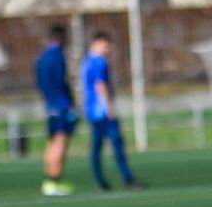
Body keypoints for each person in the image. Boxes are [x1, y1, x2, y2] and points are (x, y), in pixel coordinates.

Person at [81, 32, 143, 191]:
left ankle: (99, 180)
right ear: (96, 43)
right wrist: (109, 108)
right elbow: (100, 85)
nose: (107, 50)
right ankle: (127, 178)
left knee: (96, 147)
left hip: (91, 110)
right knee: (117, 144)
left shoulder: (85, 62)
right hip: (102, 111)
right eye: (105, 46)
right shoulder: (99, 62)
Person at [34, 23, 77, 196]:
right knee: (60, 141)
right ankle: (54, 180)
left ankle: (49, 180)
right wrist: (70, 104)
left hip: (49, 104)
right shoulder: (57, 56)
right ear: (60, 38)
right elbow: (61, 82)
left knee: (51, 142)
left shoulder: (42, 57)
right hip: (60, 105)